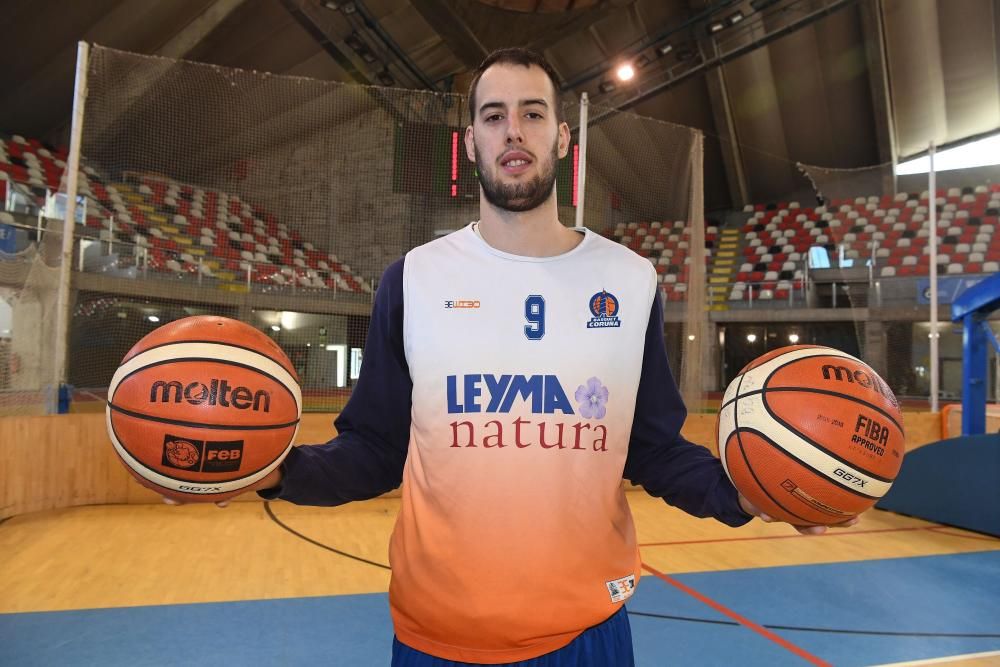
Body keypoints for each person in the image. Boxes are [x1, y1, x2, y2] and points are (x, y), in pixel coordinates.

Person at [205, 48, 857, 666]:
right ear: (470, 143)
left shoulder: (630, 280)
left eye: (532, 113)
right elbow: (376, 447)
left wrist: (741, 492)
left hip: (586, 632)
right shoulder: (412, 280)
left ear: (563, 138)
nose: (512, 130)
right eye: (493, 116)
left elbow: (652, 447)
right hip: (438, 634)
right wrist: (274, 470)